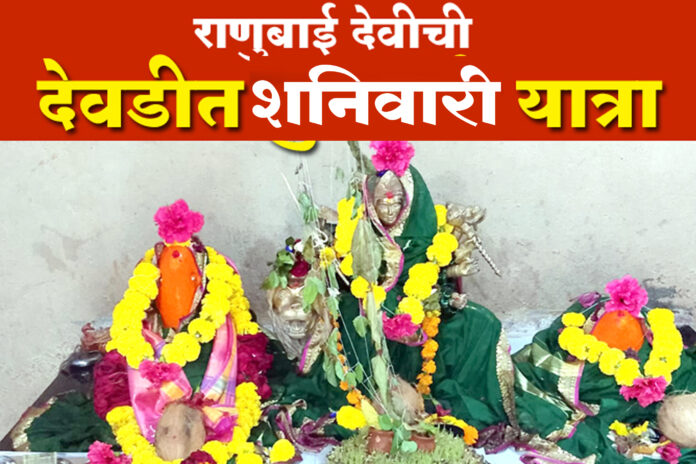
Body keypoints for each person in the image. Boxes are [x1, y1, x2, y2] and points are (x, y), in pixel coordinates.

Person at [19, 200, 273, 464]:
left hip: (212, 430)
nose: (176, 290)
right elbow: (116, 385)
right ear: (152, 285)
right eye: (165, 281)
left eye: (187, 280)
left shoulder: (224, 327)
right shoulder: (136, 333)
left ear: (202, 284)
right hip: (147, 429)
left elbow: (248, 378)